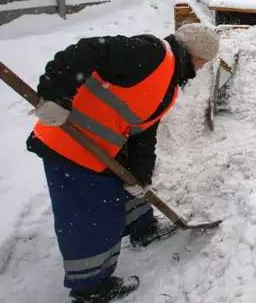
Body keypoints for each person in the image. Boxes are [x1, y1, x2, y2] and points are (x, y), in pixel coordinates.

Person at [25, 23, 221, 302]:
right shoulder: (151, 54)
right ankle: (90, 285)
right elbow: (87, 50)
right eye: (203, 61)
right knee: (92, 217)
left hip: (103, 147)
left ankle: (142, 228)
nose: (201, 69)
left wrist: (142, 175)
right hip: (69, 142)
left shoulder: (168, 81)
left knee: (128, 188)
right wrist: (55, 94)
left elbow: (144, 133)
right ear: (193, 54)